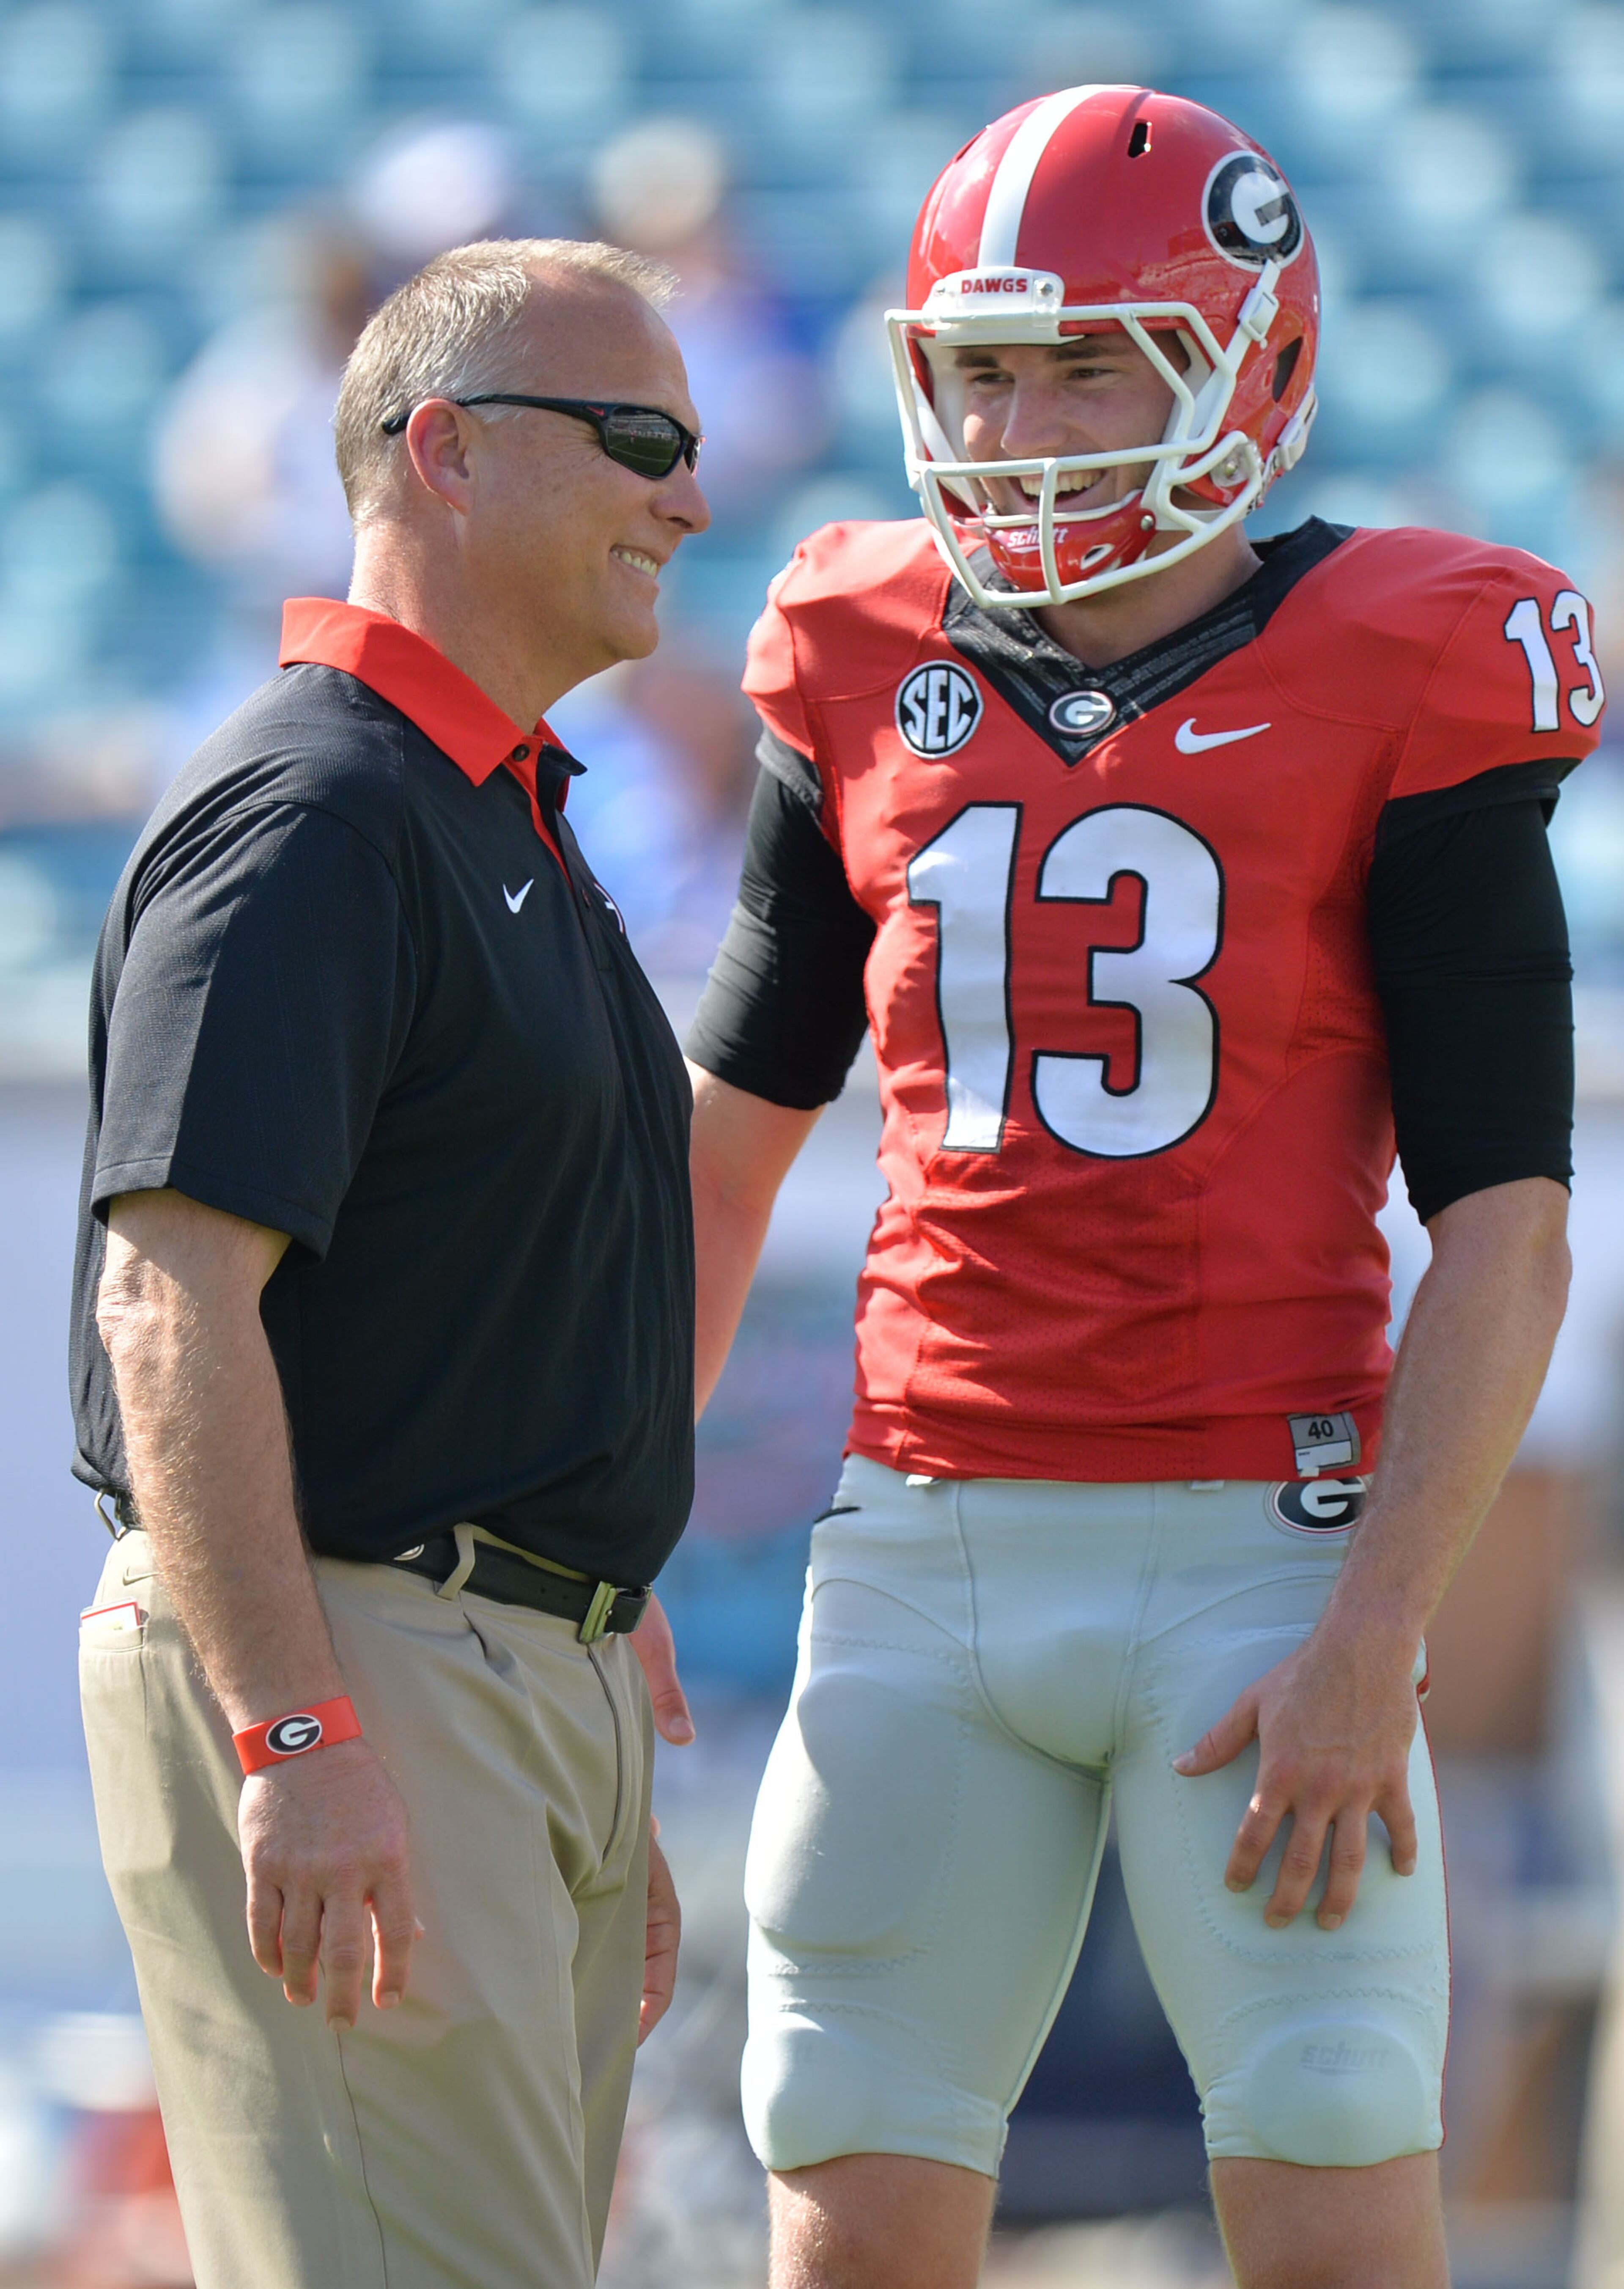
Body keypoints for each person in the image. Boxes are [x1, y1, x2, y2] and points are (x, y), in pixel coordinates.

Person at [683, 88, 1599, 2289]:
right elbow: (725, 1153)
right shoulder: (855, 640)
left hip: (1258, 1566)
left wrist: (1381, 1627)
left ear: (1249, 366)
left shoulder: (1407, 654)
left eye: (1090, 359)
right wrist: (610, 1547)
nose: (1024, 419)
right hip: (923, 1540)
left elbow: (1510, 1226)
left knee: (1333, 2195)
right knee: (853, 2210)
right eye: (984, 364)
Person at [71, 237, 707, 2289]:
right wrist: (296, 1735)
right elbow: (170, 1298)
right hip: (362, 1662)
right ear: (441, 451)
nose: (686, 497)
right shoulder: (317, 810)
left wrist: (592, 1643)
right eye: (635, 439)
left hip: (505, 1666)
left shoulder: (486, 812)